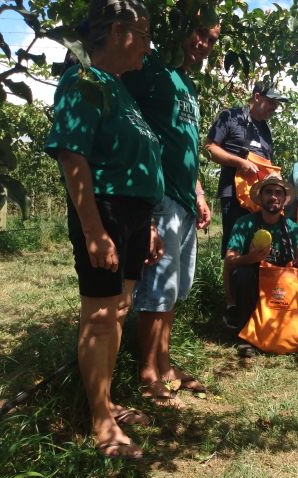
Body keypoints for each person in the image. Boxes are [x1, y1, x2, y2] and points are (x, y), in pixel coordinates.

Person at [45, 0, 162, 459]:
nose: (150, 45)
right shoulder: (84, 81)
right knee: (99, 314)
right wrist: (95, 231)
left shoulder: (120, 88)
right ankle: (99, 421)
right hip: (106, 210)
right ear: (118, 31)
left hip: (134, 213)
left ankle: (109, 400)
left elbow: (142, 160)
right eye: (146, 33)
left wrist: (148, 223)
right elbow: (73, 155)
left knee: (119, 310)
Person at [122, 9, 220, 405]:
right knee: (157, 291)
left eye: (212, 38)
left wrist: (197, 190)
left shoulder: (188, 86)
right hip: (158, 195)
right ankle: (148, 372)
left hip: (182, 197)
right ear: (181, 29)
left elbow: (186, 147)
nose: (204, 43)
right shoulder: (150, 68)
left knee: (175, 290)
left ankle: (164, 363)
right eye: (199, 32)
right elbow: (130, 125)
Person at [223, 173, 298, 356]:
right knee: (244, 274)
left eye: (278, 193)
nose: (273, 197)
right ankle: (246, 335)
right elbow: (230, 260)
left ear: (284, 199)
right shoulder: (245, 224)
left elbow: (294, 268)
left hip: (278, 286)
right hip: (254, 283)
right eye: (269, 192)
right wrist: (251, 258)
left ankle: (289, 329)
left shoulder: (292, 228)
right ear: (260, 197)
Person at [206, 82, 289, 257]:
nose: (275, 107)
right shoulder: (231, 117)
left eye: (277, 104)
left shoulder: (265, 130)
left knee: (259, 246)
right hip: (233, 196)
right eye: (271, 101)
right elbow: (210, 148)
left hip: (258, 199)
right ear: (257, 97)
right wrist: (240, 163)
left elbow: (266, 161)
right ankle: (231, 284)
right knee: (234, 248)